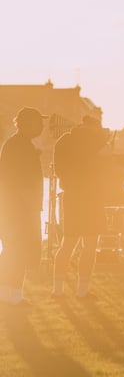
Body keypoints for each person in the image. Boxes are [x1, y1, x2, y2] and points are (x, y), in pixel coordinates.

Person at [52, 115, 110, 298]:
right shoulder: (96, 142)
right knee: (90, 244)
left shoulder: (64, 141)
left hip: (70, 195)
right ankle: (82, 290)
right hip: (92, 196)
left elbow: (58, 168)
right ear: (94, 127)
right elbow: (107, 164)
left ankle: (58, 288)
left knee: (67, 242)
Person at [0, 107, 46, 307]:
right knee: (15, 249)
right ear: (26, 123)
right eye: (38, 122)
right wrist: (31, 208)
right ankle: (9, 295)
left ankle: (12, 294)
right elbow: (19, 180)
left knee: (17, 249)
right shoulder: (18, 145)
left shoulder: (20, 144)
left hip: (17, 207)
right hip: (17, 208)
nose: (42, 127)